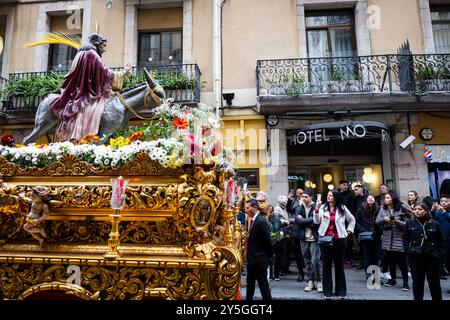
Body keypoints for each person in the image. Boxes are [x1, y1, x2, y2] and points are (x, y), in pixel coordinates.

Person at [50, 33, 132, 142]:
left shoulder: (81, 53)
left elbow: (94, 76)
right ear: (96, 44)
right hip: (84, 93)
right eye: (103, 46)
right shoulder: (92, 54)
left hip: (78, 90)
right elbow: (104, 73)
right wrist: (123, 72)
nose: (104, 50)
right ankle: (84, 135)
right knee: (95, 108)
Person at [314, 190, 355, 299]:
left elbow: (352, 220)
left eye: (331, 195)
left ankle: (341, 291)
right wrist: (317, 209)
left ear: (336, 197)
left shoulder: (342, 208)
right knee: (326, 266)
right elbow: (317, 221)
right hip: (325, 240)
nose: (329, 197)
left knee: (339, 266)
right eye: (327, 195)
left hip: (340, 239)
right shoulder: (323, 207)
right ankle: (327, 292)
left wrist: (349, 231)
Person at [403, 202, 445, 300]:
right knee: (417, 283)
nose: (417, 211)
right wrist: (409, 253)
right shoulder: (409, 224)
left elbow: (441, 241)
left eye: (420, 209)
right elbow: (405, 240)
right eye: (415, 209)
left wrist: (439, 255)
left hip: (432, 257)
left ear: (426, 211)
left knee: (434, 284)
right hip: (415, 258)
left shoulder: (434, 223)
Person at [375, 192, 411, 291]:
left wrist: (396, 221)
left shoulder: (402, 209)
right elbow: (377, 222)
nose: (385, 199)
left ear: (393, 199)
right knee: (391, 261)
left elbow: (408, 225)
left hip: (399, 238)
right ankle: (393, 279)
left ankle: (405, 282)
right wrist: (384, 219)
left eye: (388, 197)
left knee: (402, 262)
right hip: (387, 239)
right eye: (385, 198)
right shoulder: (383, 209)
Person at [245, 199, 273, 300]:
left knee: (263, 286)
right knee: (250, 284)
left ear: (254, 208)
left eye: (247, 208)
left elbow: (267, 241)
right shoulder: (253, 220)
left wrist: (269, 257)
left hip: (259, 260)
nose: (246, 210)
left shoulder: (261, 221)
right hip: (252, 259)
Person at [293, 189, 321, 292]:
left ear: (311, 197)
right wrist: (308, 220)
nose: (303, 198)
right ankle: (310, 280)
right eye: (302, 197)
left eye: (306, 197)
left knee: (315, 260)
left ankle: (319, 280)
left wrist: (304, 221)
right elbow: (298, 221)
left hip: (314, 237)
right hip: (303, 237)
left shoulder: (316, 207)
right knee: (307, 261)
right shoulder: (299, 208)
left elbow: (316, 222)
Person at [355, 195, 379, 277]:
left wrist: (378, 231)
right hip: (365, 235)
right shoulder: (360, 210)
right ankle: (368, 275)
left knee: (375, 257)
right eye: (368, 198)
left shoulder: (377, 209)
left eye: (372, 197)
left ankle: (375, 276)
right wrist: (362, 230)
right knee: (366, 256)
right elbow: (356, 222)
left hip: (375, 236)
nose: (370, 198)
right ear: (365, 200)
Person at [432, 195, 450, 278]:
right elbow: (431, 221)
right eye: (442, 201)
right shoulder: (437, 212)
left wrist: (444, 212)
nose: (443, 203)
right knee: (442, 258)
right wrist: (432, 211)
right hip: (441, 239)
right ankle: (441, 271)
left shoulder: (444, 212)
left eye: (446, 201)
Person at [339, 180, 355, 269]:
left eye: (347, 185)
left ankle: (348, 259)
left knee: (348, 241)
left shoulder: (350, 195)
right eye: (344, 185)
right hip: (338, 221)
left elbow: (352, 208)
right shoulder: (336, 193)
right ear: (340, 185)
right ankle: (341, 259)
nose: (345, 186)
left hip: (347, 220)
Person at [268, 205, 283, 281]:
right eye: (268, 212)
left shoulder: (276, 219)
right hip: (268, 240)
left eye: (270, 212)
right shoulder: (266, 218)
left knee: (277, 258)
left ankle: (276, 274)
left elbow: (275, 229)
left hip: (276, 240)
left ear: (273, 212)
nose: (269, 214)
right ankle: (270, 274)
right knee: (269, 258)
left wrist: (269, 224)